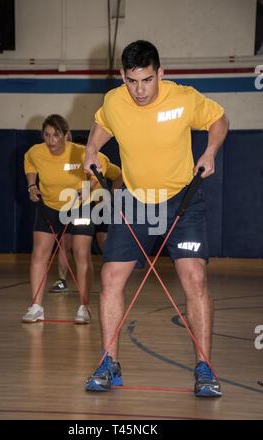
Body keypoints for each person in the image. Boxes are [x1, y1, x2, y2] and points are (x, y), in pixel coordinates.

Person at [83, 40, 229, 397]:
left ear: (161, 73)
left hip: (183, 198)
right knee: (111, 275)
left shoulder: (183, 98)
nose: (140, 90)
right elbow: (102, 126)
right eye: (132, 81)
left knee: (194, 277)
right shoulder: (115, 101)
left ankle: (205, 368)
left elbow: (218, 119)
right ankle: (108, 363)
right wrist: (91, 150)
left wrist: (210, 152)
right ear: (123, 76)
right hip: (135, 200)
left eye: (147, 80)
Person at [22, 114, 120, 325]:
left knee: (80, 253)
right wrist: (32, 186)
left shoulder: (80, 152)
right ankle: (36, 307)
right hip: (49, 206)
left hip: (79, 207)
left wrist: (89, 189)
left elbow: (102, 170)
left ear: (66, 135)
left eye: (56, 135)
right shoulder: (35, 152)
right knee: (39, 254)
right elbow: (29, 164)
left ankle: (84, 307)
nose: (51, 141)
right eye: (47, 135)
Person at [48, 135, 122, 293]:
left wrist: (113, 193)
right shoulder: (69, 166)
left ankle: (114, 277)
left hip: (99, 205)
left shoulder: (101, 162)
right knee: (65, 241)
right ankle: (61, 280)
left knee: (103, 241)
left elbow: (119, 175)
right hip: (77, 206)